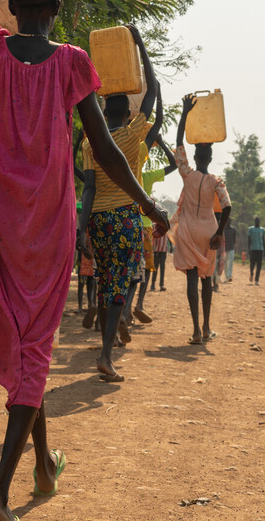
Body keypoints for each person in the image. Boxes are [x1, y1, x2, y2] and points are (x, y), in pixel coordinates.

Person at [0, 0, 168, 521]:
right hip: (48, 225)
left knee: (25, 349)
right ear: (56, 9)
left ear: (15, 4)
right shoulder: (76, 63)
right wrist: (146, 204)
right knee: (37, 346)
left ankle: (44, 469)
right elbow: (106, 150)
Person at [78, 25, 159, 377]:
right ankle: (106, 355)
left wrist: (82, 230)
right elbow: (153, 91)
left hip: (96, 219)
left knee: (104, 279)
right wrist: (139, 44)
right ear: (127, 113)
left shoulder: (88, 143)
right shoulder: (130, 134)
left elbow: (89, 188)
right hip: (125, 219)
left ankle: (105, 350)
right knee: (119, 286)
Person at [172, 94, 231, 345]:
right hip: (209, 231)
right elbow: (227, 207)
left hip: (187, 231)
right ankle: (206, 328)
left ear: (196, 158)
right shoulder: (216, 180)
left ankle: (195, 330)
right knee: (207, 279)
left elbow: (177, 143)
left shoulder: (187, 173)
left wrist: (185, 112)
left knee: (191, 279)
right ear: (210, 158)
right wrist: (219, 234)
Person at [131, 133, 178, 323]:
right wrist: (162, 141)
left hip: (125, 224)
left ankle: (123, 310)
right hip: (145, 227)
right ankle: (139, 304)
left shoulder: (119, 172)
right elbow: (174, 165)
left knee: (126, 269)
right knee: (147, 268)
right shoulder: (147, 176)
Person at [247, 217, 265, 284]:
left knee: (259, 265)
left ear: (260, 222)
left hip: (260, 249)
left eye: (258, 221)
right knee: (252, 263)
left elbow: (264, 240)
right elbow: (249, 240)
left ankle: (257, 280)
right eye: (256, 221)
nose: (257, 222)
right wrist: (249, 249)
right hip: (253, 249)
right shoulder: (251, 229)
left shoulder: (262, 230)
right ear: (254, 221)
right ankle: (251, 273)